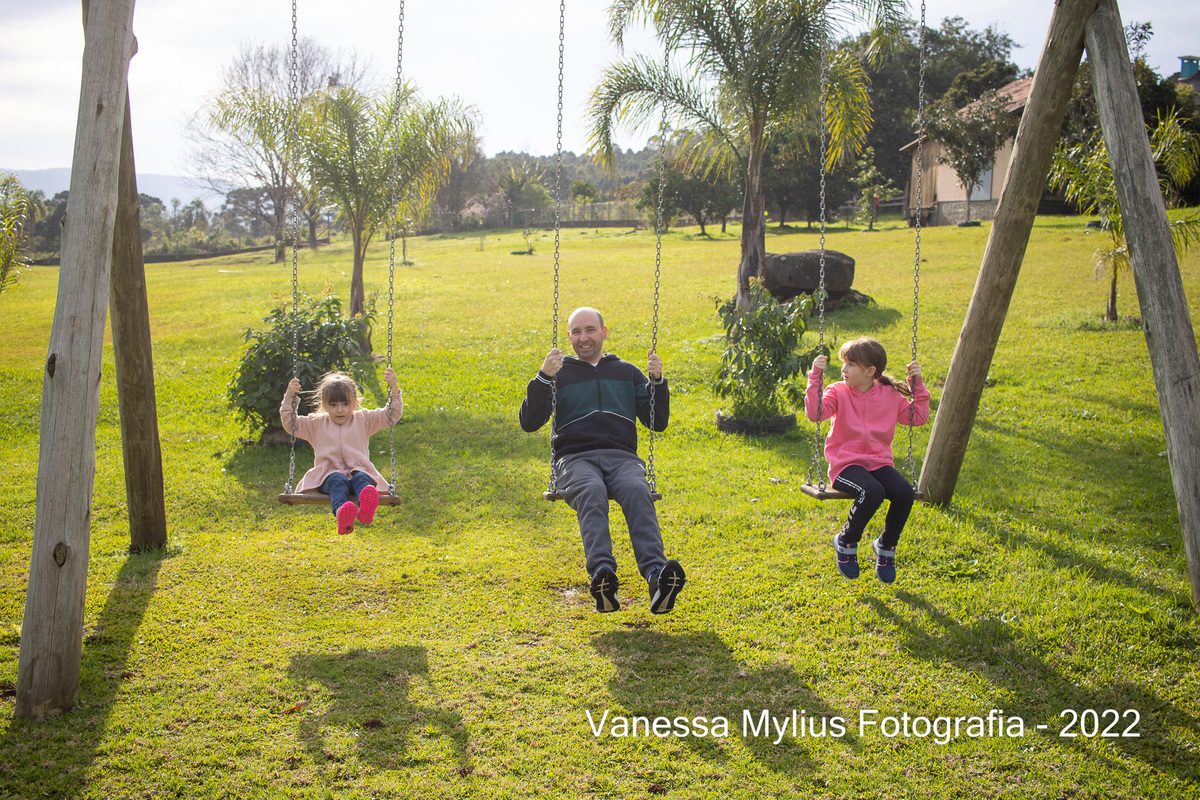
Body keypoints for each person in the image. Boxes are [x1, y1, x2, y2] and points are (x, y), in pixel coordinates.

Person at [520, 307, 685, 614]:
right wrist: (543, 377)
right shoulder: (559, 373)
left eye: (590, 330)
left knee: (638, 491)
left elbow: (656, 421)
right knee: (591, 491)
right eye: (577, 332)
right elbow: (529, 423)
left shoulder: (627, 372)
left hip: (622, 457)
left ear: (604, 332)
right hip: (574, 459)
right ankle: (602, 577)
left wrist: (658, 383)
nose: (584, 338)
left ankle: (657, 577)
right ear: (569, 336)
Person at [805, 337, 930, 583]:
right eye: (844, 363)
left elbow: (918, 417)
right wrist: (815, 378)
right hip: (845, 465)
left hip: (879, 462)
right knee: (872, 491)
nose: (843, 369)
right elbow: (815, 413)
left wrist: (918, 385)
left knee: (904, 493)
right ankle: (846, 541)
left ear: (870, 371)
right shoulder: (837, 391)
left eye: (850, 364)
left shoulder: (890, 395)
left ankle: (885, 547)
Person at [281, 368, 403, 536]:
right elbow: (290, 424)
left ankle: (367, 504)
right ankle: (343, 512)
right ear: (324, 405)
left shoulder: (364, 419)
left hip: (358, 471)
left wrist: (394, 389)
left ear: (355, 403)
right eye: (333, 405)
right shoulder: (315, 423)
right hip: (328, 475)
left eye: (345, 404)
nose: (340, 410)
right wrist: (289, 397)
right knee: (338, 480)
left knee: (362, 478)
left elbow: (391, 415)